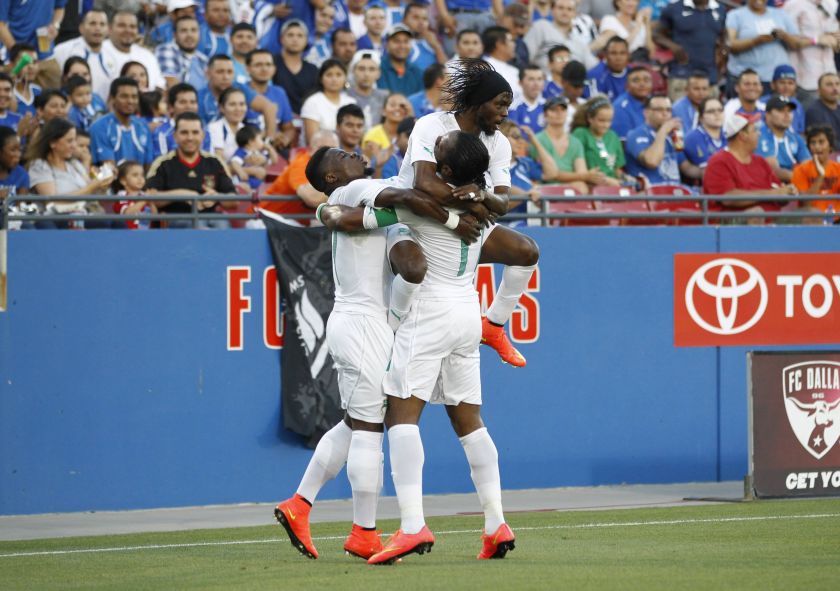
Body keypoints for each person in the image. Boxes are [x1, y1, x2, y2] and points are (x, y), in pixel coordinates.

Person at [273, 135, 482, 562]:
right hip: (365, 322)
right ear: (332, 177)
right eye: (341, 155)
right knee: (369, 428)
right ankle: (362, 531)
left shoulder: (354, 201)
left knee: (356, 422)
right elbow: (406, 198)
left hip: (359, 321)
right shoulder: (353, 190)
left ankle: (300, 504)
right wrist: (452, 221)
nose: (352, 152)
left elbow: (397, 202)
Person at [145, 112, 237, 228]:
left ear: (203, 135)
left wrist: (216, 196)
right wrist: (184, 194)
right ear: (175, 136)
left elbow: (234, 201)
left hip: (212, 218)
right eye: (184, 133)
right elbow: (149, 198)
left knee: (222, 225)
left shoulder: (215, 162)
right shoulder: (162, 163)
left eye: (195, 132)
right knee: (198, 224)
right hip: (175, 220)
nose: (190, 138)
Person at [26, 118, 113, 229]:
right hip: (56, 217)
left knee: (118, 222)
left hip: (82, 213)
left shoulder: (74, 164)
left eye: (74, 141)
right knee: (103, 223)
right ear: (53, 143)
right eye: (69, 141)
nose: (74, 146)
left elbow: (90, 194)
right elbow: (51, 200)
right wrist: (92, 186)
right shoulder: (40, 165)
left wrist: (102, 186)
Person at [703, 114, 798, 213]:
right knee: (756, 213)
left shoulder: (760, 161)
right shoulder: (719, 162)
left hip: (771, 221)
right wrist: (772, 193)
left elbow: (777, 194)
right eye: (755, 130)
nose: (759, 134)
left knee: (810, 213)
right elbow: (728, 198)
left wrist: (787, 192)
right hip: (732, 225)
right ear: (742, 136)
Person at [725, 0, 808, 94]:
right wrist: (756, 41)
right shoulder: (735, 15)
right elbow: (730, 44)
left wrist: (784, 35)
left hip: (776, 80)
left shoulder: (780, 14)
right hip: (746, 79)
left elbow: (797, 44)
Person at [258, 130, 337, 223]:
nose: (328, 154)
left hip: (290, 224)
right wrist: (341, 190)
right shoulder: (302, 164)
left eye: (333, 150)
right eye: (322, 149)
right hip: (265, 218)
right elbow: (312, 198)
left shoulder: (333, 169)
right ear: (311, 149)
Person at [532, 95, 601, 193]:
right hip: (544, 188)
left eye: (562, 109)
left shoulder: (575, 142)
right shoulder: (538, 139)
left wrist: (583, 176)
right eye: (553, 110)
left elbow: (581, 173)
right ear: (545, 115)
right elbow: (549, 174)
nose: (559, 113)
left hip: (571, 187)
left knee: (582, 187)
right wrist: (586, 175)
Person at [654, 0, 726, 88]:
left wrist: (723, 53)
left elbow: (724, 36)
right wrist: (674, 47)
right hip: (681, 74)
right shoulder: (673, 8)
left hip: (710, 76)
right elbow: (656, 34)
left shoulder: (720, 9)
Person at [783, 0, 840, 107]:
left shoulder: (831, 3)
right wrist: (816, 40)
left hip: (830, 74)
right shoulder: (793, 4)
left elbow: (835, 41)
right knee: (813, 120)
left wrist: (836, 40)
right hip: (806, 79)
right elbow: (788, 41)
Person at [89, 77, 154, 169]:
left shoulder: (143, 126)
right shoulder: (100, 127)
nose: (130, 101)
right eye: (124, 96)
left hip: (141, 181)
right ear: (112, 98)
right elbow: (108, 170)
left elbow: (148, 166)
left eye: (134, 97)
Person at [52, 10, 115, 101]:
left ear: (108, 30)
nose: (98, 28)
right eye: (93, 23)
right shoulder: (63, 50)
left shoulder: (112, 55)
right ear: (81, 28)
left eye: (102, 24)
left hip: (101, 109)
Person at [624, 95, 685, 186]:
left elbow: (685, 166)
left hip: (675, 191)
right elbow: (652, 161)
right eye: (659, 109)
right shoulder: (636, 134)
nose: (665, 113)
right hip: (651, 192)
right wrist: (663, 131)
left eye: (668, 110)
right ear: (646, 113)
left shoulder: (671, 135)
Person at [524, 0, 598, 71]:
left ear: (575, 14)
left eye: (569, 9)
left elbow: (595, 68)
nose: (565, 12)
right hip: (543, 79)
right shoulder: (541, 26)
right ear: (552, 10)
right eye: (560, 8)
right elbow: (524, 56)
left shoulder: (579, 42)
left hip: (572, 81)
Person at [103, 11, 167, 92]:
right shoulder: (99, 51)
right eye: (122, 26)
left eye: (132, 26)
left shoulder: (147, 55)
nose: (128, 30)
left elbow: (160, 86)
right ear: (110, 29)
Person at [570, 95, 627, 185]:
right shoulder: (580, 134)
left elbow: (617, 169)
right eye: (601, 120)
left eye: (609, 121)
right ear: (590, 118)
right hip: (589, 185)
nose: (606, 125)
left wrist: (625, 178)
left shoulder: (613, 136)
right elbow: (576, 167)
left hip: (613, 186)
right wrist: (607, 181)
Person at [245, 48, 295, 148]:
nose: (264, 69)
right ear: (247, 68)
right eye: (258, 65)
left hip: (275, 148)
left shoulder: (279, 92)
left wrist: (284, 139)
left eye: (268, 64)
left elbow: (289, 127)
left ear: (274, 69)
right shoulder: (240, 92)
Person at [301, 59, 357, 145]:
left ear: (345, 78)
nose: (334, 79)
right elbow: (312, 141)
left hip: (346, 153)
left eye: (339, 75)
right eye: (329, 75)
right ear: (321, 78)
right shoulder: (312, 102)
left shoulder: (351, 102)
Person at [756, 95, 810, 184]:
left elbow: (807, 164)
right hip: (765, 185)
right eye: (781, 111)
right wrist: (799, 177)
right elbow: (772, 169)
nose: (787, 115)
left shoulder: (795, 137)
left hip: (793, 184)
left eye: (789, 111)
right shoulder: (758, 135)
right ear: (767, 115)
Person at [152, 83, 211, 159]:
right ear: (171, 107)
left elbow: (209, 163)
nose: (189, 106)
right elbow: (161, 165)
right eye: (183, 102)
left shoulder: (205, 133)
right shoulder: (161, 133)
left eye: (192, 102)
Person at [273, 19, 319, 116]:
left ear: (306, 40)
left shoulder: (313, 70)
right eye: (290, 35)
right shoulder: (271, 63)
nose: (295, 39)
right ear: (281, 39)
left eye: (300, 36)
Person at [791, 124, 840, 216]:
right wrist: (820, 177)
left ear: (830, 146)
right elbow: (806, 204)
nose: (817, 147)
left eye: (821, 142)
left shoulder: (838, 169)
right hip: (812, 220)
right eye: (813, 143)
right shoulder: (800, 170)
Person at [363, 93, 413, 175]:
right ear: (383, 111)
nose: (397, 108)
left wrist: (410, 115)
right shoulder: (373, 135)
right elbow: (371, 166)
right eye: (392, 105)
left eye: (402, 106)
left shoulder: (408, 133)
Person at [155, 15, 209, 90]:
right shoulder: (167, 50)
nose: (189, 35)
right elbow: (172, 85)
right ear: (175, 35)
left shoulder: (203, 59)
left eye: (193, 30)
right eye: (184, 30)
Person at [683, 97, 727, 176]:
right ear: (701, 118)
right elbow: (710, 170)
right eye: (711, 111)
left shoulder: (729, 136)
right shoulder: (693, 138)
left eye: (720, 110)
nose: (717, 114)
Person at [346, 50, 389, 129]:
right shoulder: (345, 96)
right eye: (361, 69)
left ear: (378, 73)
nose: (366, 74)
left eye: (372, 69)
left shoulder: (385, 97)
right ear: (353, 71)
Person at [379, 24, 424, 96]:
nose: (402, 46)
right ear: (386, 45)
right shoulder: (378, 68)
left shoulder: (417, 71)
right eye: (396, 41)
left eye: (406, 41)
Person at [110, 159, 156, 230]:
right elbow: (127, 214)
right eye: (135, 175)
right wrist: (145, 200)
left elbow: (155, 216)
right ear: (123, 181)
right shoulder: (121, 196)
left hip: (147, 235)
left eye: (142, 175)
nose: (140, 178)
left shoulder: (144, 195)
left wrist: (151, 202)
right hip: (127, 236)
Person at [760, 65, 806, 134]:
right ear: (773, 85)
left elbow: (801, 132)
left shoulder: (797, 104)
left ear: (795, 86)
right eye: (782, 82)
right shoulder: (761, 103)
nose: (786, 87)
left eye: (790, 83)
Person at [611, 66, 653, 141]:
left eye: (646, 80)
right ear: (627, 85)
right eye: (636, 81)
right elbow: (623, 142)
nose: (642, 84)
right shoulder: (620, 108)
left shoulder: (654, 102)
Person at [230, 124, 277, 190]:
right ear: (251, 142)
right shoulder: (242, 151)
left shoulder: (259, 152)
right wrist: (241, 172)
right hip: (245, 183)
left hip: (258, 184)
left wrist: (270, 149)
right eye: (260, 139)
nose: (262, 142)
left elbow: (274, 161)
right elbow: (234, 162)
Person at [403, 3, 447, 72]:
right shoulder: (400, 44)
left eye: (425, 19)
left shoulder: (433, 43)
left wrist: (436, 46)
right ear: (404, 20)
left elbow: (446, 71)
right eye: (416, 17)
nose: (421, 22)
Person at [207, 87, 248, 161]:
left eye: (242, 104)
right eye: (232, 104)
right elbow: (219, 164)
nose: (238, 109)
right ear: (221, 108)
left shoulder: (245, 129)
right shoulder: (215, 128)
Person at [481, 26, 522, 100]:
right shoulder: (484, 68)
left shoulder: (514, 70)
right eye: (511, 41)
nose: (514, 45)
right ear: (499, 44)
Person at [585, 36, 629, 102]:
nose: (618, 58)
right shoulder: (594, 75)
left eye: (622, 53)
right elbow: (593, 106)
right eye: (613, 53)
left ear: (628, 55)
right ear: (605, 55)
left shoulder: (633, 74)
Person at [510, 64, 548, 133]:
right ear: (520, 83)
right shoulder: (512, 107)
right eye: (531, 79)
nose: (536, 83)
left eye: (539, 79)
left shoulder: (548, 106)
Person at [805, 72, 840, 141]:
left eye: (837, 84)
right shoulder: (814, 111)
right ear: (819, 90)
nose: (835, 88)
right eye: (829, 85)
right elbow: (825, 143)